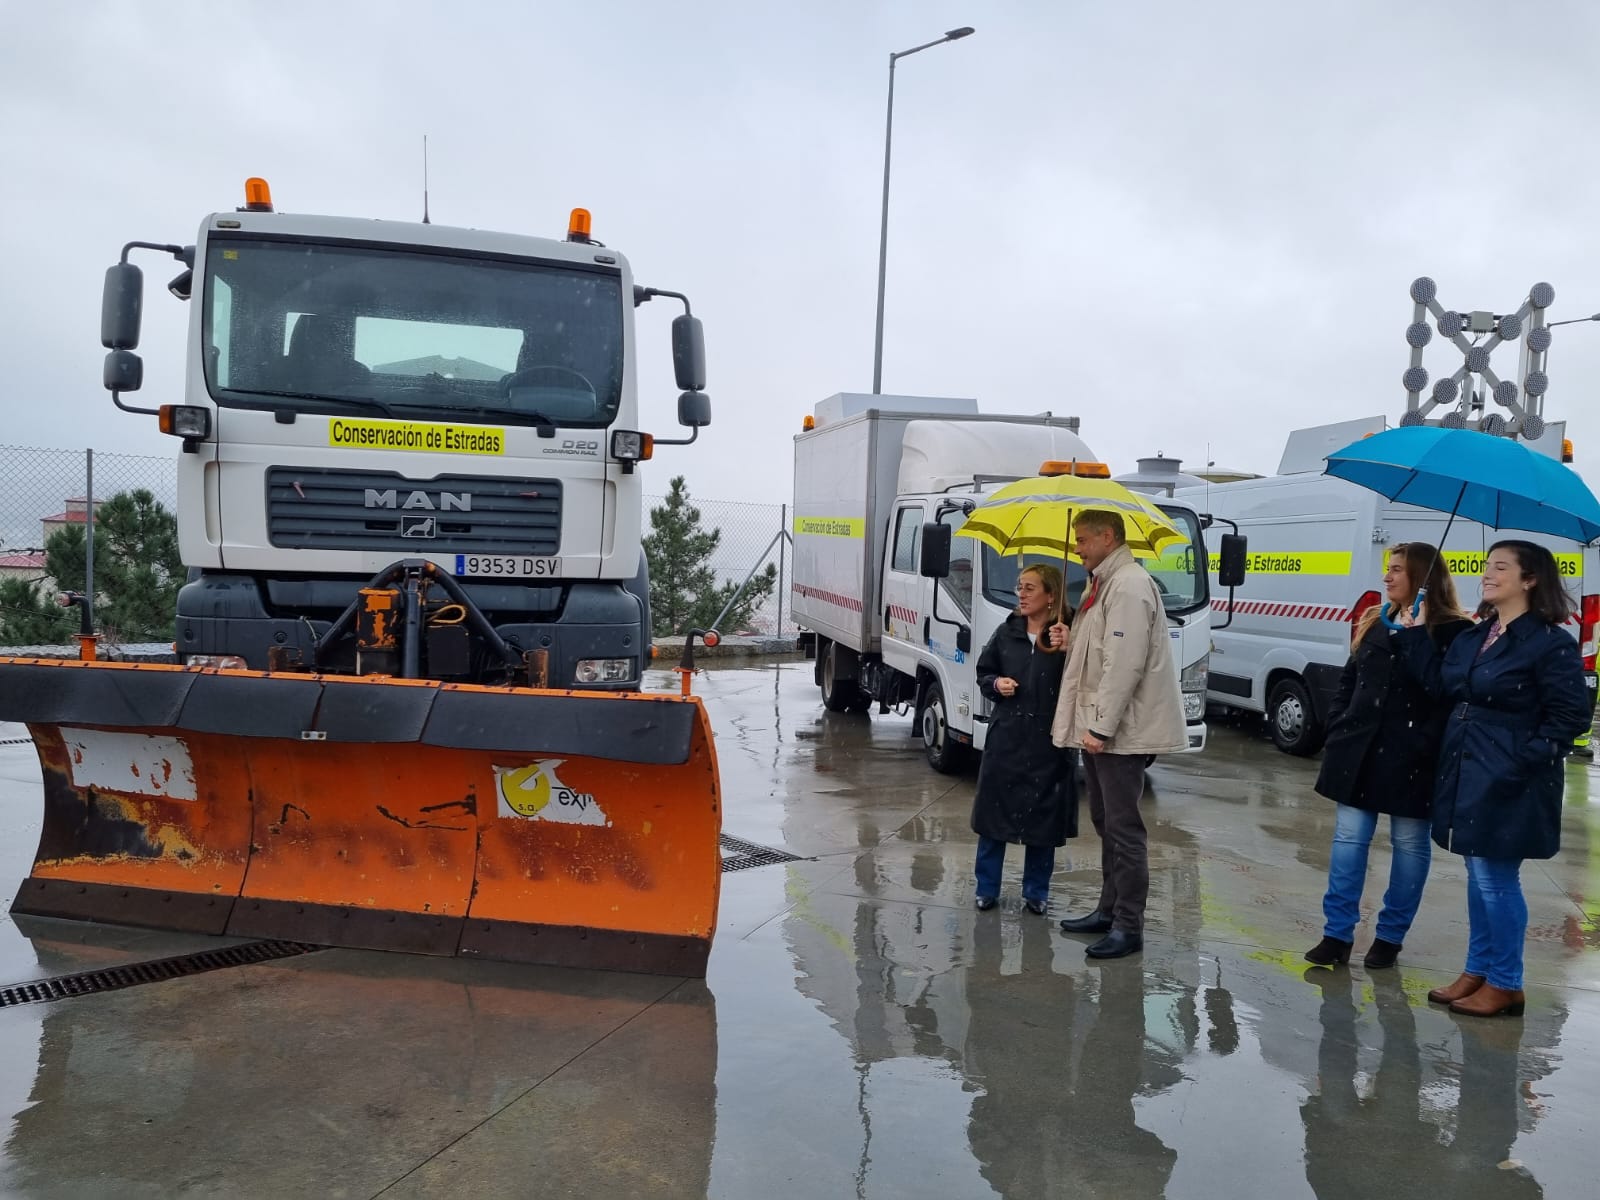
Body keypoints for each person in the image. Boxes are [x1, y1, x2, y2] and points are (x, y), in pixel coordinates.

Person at [1399, 540, 1590, 1017]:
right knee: (1477, 874)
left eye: (1500, 568)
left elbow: (1571, 716)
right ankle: (1478, 971)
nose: (1487, 574)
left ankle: (1506, 982)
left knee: (1496, 880)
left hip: (1509, 774)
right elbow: (1442, 687)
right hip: (1467, 766)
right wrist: (1416, 636)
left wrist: (1521, 759)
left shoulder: (1549, 643)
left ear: (1530, 580)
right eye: (1487, 566)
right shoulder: (1476, 636)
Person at [1305, 543, 1472, 970]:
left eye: (1396, 570)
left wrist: (1416, 636)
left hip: (1414, 756)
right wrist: (1339, 721)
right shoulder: (1374, 619)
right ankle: (1336, 934)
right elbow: (1352, 676)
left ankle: (1390, 937)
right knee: (1347, 843)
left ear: (1421, 577)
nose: (1387, 578)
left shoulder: (1455, 631)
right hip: (1359, 751)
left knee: (1409, 846)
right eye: (1387, 569)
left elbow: (1443, 690)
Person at [1050, 510, 1188, 958]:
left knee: (1124, 829)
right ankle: (1108, 911)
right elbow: (1102, 649)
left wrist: (1100, 727)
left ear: (1108, 537)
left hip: (1118, 732)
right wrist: (1069, 637)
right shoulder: (1103, 582)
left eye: (1082, 540)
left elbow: (1123, 664)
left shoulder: (1127, 584)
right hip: (1105, 728)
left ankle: (1129, 926)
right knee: (1106, 822)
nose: (1077, 548)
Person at [970, 564, 1078, 913]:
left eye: (1030, 588)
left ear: (1051, 595)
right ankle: (986, 888)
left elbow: (1088, 677)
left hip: (1050, 740)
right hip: (1007, 737)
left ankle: (1036, 892)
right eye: (1020, 587)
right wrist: (996, 685)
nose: (1022, 594)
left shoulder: (1068, 633)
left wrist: (1070, 648)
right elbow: (984, 672)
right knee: (994, 816)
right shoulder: (1007, 632)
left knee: (1043, 819)